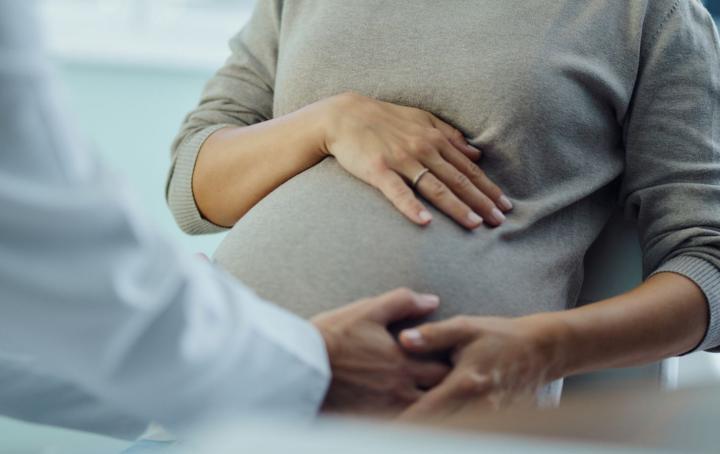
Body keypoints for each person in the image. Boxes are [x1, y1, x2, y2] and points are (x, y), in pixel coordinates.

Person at [168, 0, 720, 409]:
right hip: (225, 393)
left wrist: (546, 348)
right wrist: (328, 121)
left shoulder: (646, 13)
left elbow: (708, 259)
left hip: (439, 418)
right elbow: (192, 184)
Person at [0, 0, 450, 436]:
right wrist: (302, 364)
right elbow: (178, 193)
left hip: (275, 396)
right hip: (244, 393)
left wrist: (200, 329)